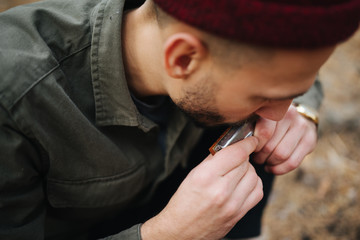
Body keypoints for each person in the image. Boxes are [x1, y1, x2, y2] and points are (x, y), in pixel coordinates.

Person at [0, 0, 359, 239]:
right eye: (264, 95)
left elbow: (286, 74)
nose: (277, 116)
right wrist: (167, 234)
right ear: (183, 58)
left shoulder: (208, 37)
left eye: (289, 93)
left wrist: (304, 109)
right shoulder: (14, 101)